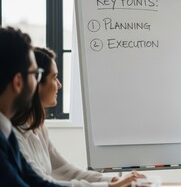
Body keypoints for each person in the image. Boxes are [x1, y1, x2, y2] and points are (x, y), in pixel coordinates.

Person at [11, 47, 144, 187]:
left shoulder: (39, 127)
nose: (59, 85)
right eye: (55, 78)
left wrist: (114, 180)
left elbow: (65, 170)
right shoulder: (13, 135)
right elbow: (43, 183)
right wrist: (111, 186)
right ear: (37, 83)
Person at [0, 26, 62, 186]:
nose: (37, 83)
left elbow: (36, 182)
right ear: (18, 82)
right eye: (36, 75)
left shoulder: (6, 132)